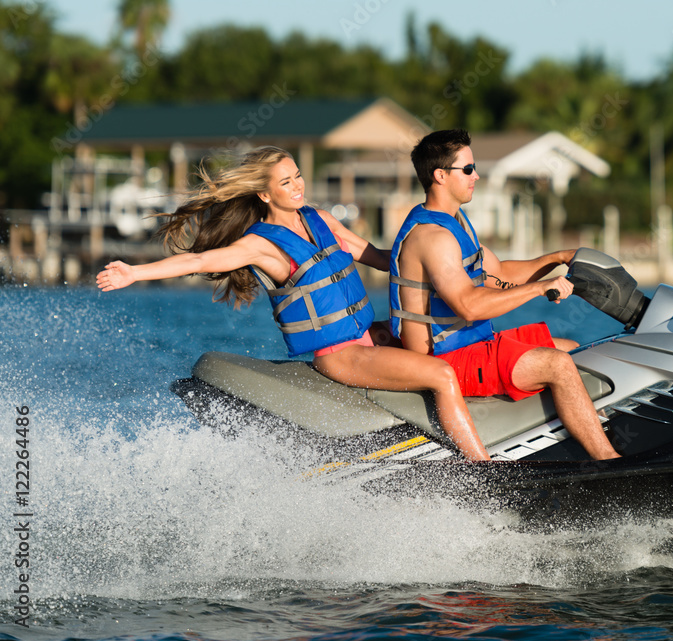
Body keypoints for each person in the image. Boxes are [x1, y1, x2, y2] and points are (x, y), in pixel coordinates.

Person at [96, 146, 492, 461]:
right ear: (265, 193)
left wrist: (450, 267)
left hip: (372, 336)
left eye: (298, 175)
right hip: (341, 354)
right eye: (286, 182)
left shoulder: (319, 219)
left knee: (441, 337)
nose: (298, 185)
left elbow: (383, 257)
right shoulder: (262, 244)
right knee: (441, 374)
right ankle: (482, 472)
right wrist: (135, 273)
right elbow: (200, 261)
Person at [389, 129, 621, 461]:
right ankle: (609, 464)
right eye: (467, 169)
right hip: (447, 358)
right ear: (440, 175)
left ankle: (567, 443)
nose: (476, 176)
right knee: (558, 364)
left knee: (572, 348)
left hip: (473, 344)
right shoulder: (432, 238)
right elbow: (468, 305)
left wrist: (556, 259)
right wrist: (539, 288)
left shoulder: (456, 222)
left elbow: (500, 275)